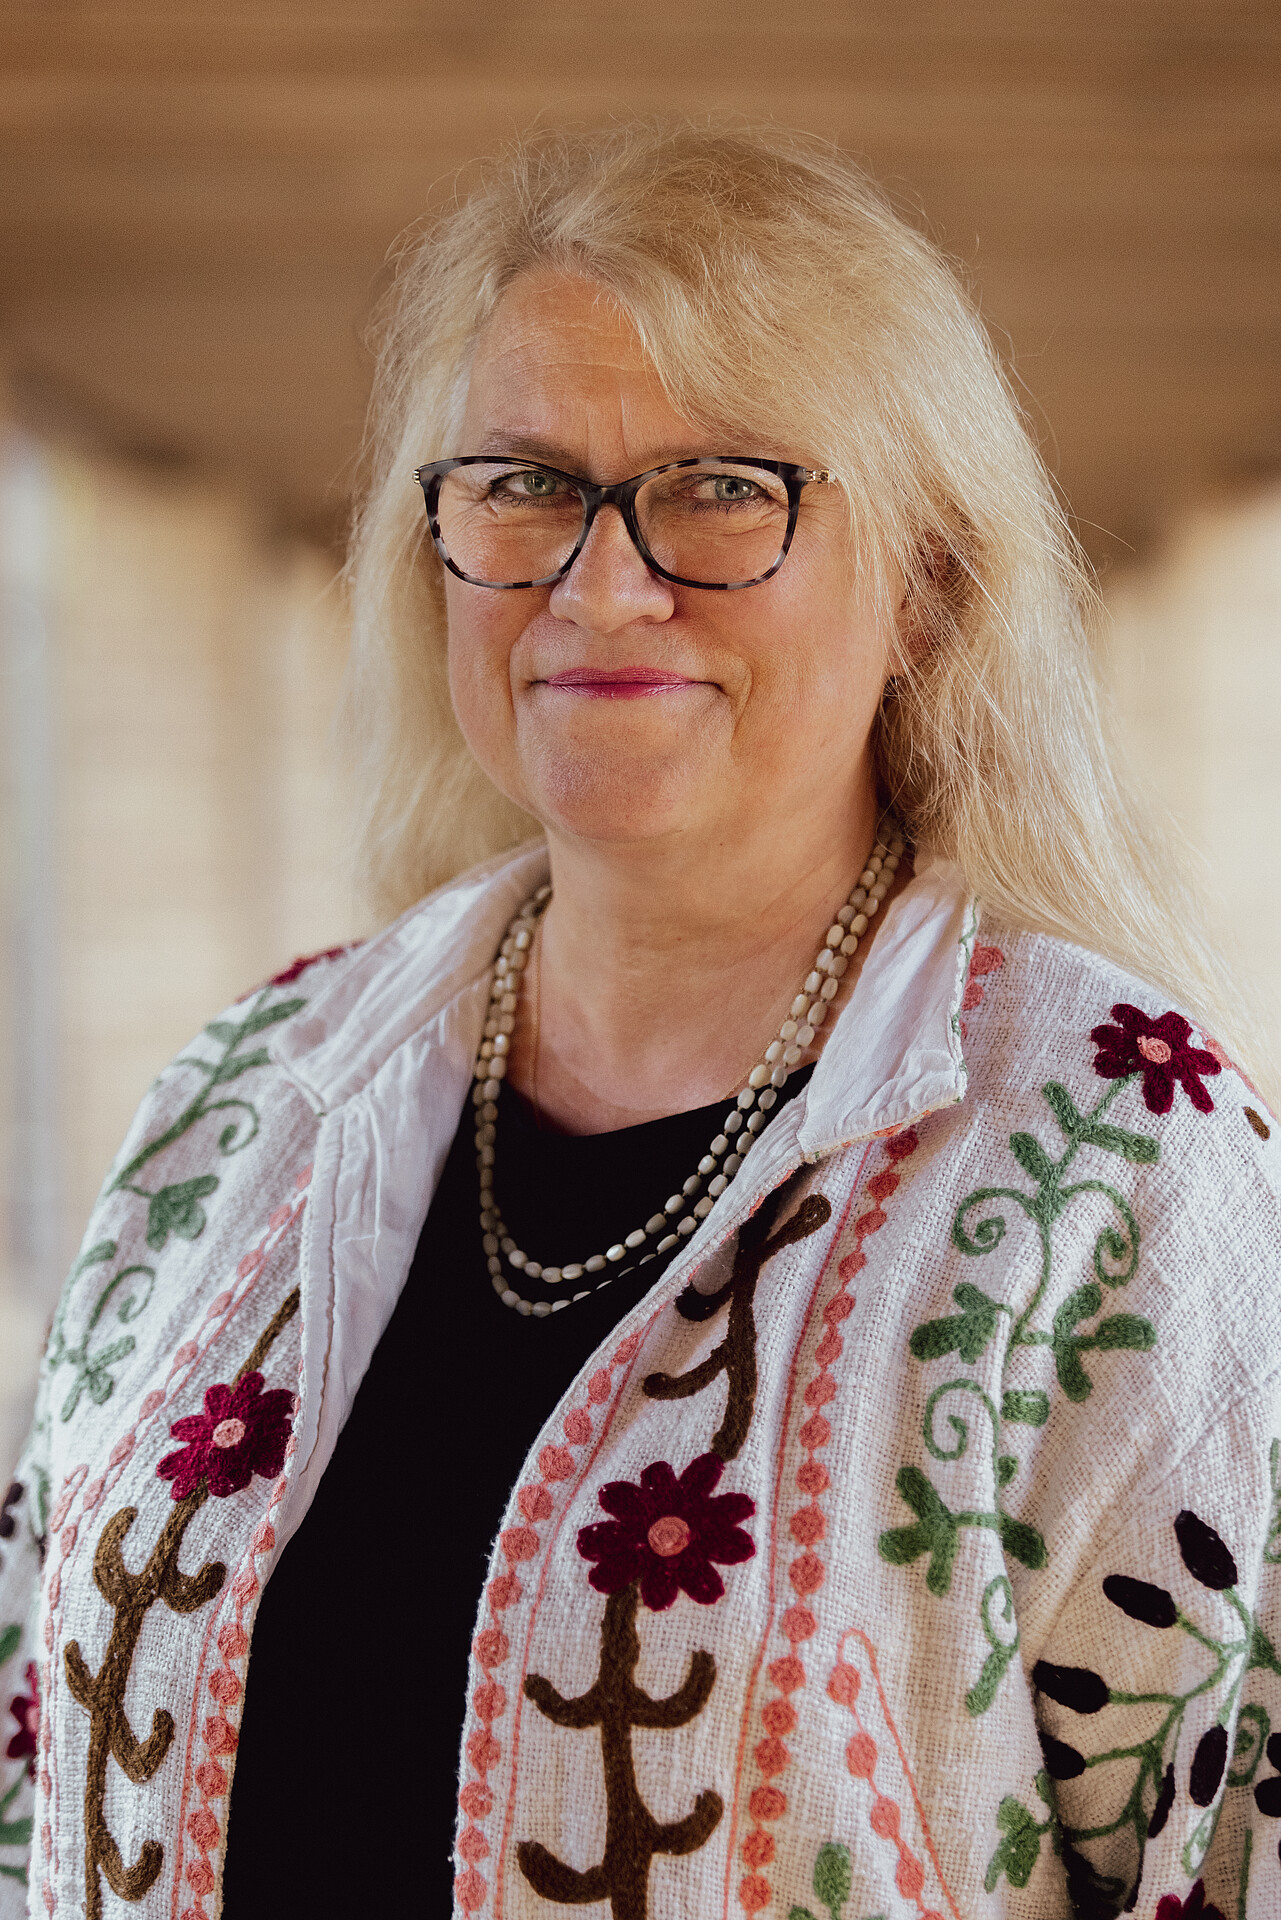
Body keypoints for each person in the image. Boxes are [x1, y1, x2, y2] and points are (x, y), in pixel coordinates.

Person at [1, 118, 1278, 1920]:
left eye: (723, 489)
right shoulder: (245, 1092)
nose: (599, 587)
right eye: (524, 485)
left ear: (924, 586)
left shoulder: (1121, 1156)